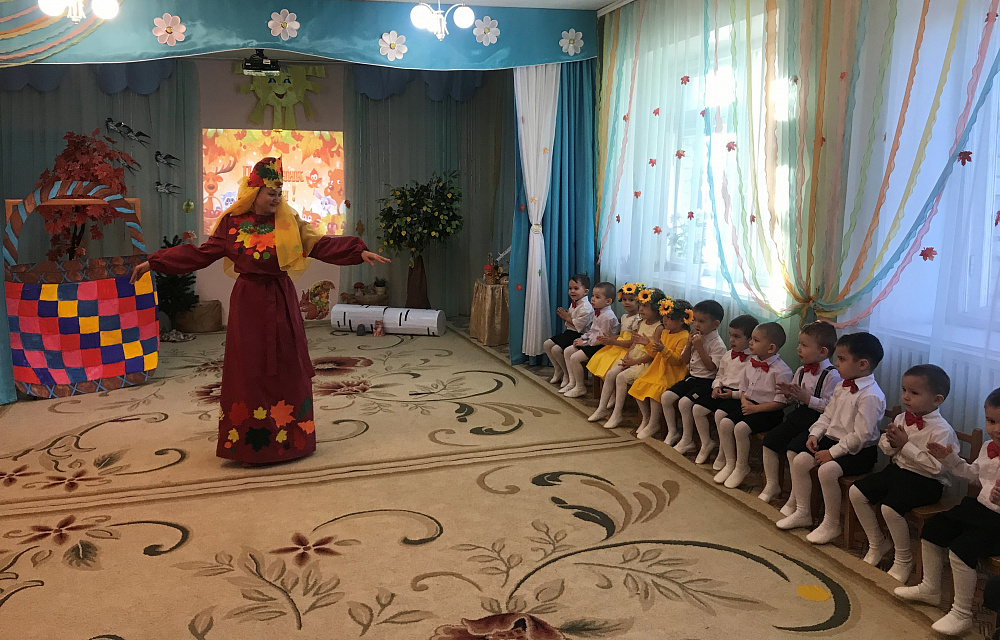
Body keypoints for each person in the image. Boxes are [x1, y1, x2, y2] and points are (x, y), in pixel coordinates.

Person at [131, 157, 390, 464]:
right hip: (248, 303)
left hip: (281, 299)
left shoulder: (289, 222)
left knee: (288, 364)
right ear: (255, 193)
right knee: (248, 369)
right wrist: (155, 262)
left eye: (280, 192)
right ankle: (249, 445)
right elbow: (201, 254)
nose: (276, 198)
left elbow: (320, 245)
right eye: (271, 193)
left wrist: (357, 251)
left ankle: (291, 441)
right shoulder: (231, 224)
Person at [895, 387, 1000, 636]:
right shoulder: (988, 447)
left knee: (962, 548)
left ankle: (961, 614)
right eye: (991, 421)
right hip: (980, 508)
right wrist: (950, 460)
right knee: (934, 529)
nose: (996, 429)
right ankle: (930, 588)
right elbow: (973, 476)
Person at [849, 364, 959, 584]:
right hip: (898, 471)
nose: (906, 397)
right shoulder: (901, 418)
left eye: (914, 393)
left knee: (889, 508)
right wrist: (891, 443)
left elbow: (937, 468)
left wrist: (906, 445)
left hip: (927, 482)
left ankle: (903, 559)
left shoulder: (942, 430)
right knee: (856, 492)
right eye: (904, 390)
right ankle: (878, 542)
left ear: (937, 400)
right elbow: (886, 446)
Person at [776, 332, 886, 545]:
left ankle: (831, 523)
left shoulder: (871, 395)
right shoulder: (842, 385)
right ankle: (803, 511)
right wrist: (815, 434)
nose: (836, 363)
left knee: (827, 471)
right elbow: (827, 415)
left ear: (862, 364)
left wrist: (832, 453)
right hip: (832, 440)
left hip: (859, 451)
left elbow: (861, 436)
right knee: (800, 460)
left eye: (842, 359)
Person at [759, 321, 841, 504]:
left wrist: (808, 399)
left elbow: (831, 408)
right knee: (770, 440)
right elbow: (796, 398)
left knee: (794, 450)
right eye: (799, 344)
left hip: (817, 422)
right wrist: (789, 393)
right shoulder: (800, 371)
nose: (798, 349)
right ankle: (772, 484)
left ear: (822, 352)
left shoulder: (832, 376)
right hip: (798, 416)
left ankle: (795, 497)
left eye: (804, 345)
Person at [713, 322, 793, 489]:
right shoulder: (751, 362)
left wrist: (754, 409)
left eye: (756, 340)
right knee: (725, 422)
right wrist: (744, 402)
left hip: (769, 411)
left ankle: (742, 466)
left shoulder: (782, 371)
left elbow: (781, 402)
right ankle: (730, 462)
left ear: (771, 348)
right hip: (750, 405)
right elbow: (743, 389)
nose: (750, 343)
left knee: (740, 428)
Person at [588, 287, 666, 428]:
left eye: (645, 306)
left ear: (656, 309)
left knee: (621, 377)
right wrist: (627, 358)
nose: (641, 309)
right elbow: (634, 344)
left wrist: (634, 362)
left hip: (645, 362)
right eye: (640, 305)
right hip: (633, 357)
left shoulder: (659, 328)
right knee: (611, 373)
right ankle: (602, 408)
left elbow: (654, 354)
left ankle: (617, 414)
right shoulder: (641, 323)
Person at [689, 314, 758, 465]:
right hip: (722, 390)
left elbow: (751, 388)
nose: (731, 340)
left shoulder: (754, 361)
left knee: (720, 414)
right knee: (698, 409)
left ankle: (723, 451)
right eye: (730, 335)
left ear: (750, 339)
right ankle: (706, 442)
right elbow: (720, 375)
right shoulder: (728, 355)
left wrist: (733, 395)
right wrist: (716, 387)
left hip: (738, 396)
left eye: (737, 336)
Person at [660, 300, 727, 447]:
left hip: (706, 382)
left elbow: (711, 368)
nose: (696, 324)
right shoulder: (695, 336)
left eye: (701, 321)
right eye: (695, 320)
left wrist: (700, 347)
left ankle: (687, 439)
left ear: (715, 324)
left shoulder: (718, 344)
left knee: (684, 403)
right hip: (691, 378)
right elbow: (684, 360)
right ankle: (673, 431)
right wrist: (689, 344)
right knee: (666, 397)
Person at [632, 298, 693, 439]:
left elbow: (678, 361)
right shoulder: (665, 332)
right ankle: (646, 418)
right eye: (664, 316)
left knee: (655, 393)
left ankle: (654, 423)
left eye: (669, 317)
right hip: (658, 369)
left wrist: (663, 349)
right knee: (638, 385)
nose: (664, 320)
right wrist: (648, 344)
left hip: (673, 374)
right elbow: (656, 353)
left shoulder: (683, 337)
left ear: (681, 320)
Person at [561, 282, 620, 398]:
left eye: (597, 297)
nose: (592, 299)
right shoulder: (598, 311)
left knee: (575, 358)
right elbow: (592, 331)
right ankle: (572, 382)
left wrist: (584, 343)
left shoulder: (607, 316)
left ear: (608, 301)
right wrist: (582, 338)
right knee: (568, 351)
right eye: (593, 296)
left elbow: (601, 339)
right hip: (593, 342)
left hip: (603, 346)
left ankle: (580, 387)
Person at [586, 283, 642, 395]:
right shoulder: (624, 317)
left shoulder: (637, 320)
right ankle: (609, 394)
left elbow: (631, 341)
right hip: (617, 345)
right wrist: (611, 338)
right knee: (600, 361)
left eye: (631, 300)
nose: (627, 302)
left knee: (610, 368)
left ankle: (612, 395)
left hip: (626, 349)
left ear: (639, 302)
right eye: (624, 299)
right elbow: (622, 335)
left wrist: (613, 341)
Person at [544, 274, 594, 387]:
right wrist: (566, 316)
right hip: (570, 332)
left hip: (580, 334)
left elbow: (580, 326)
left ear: (585, 291)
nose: (572, 291)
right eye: (570, 288)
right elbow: (570, 321)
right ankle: (559, 369)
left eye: (576, 288)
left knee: (556, 349)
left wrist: (566, 317)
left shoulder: (586, 307)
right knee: (547, 344)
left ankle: (566, 374)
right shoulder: (575, 302)